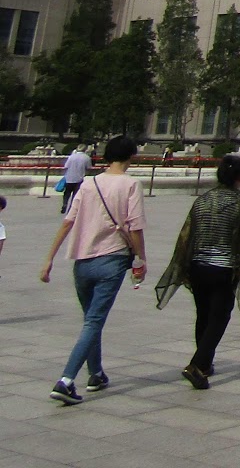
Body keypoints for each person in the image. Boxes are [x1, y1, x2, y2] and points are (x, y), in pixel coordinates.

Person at [39, 135, 147, 406]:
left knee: (91, 319)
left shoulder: (89, 183)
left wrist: (49, 258)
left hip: (82, 261)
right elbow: (135, 227)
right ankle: (66, 380)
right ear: (130, 157)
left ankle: (96, 373)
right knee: (93, 321)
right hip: (112, 259)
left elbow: (68, 221)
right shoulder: (131, 184)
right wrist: (141, 260)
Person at [153, 154, 240, 390]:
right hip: (223, 268)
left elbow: (187, 234)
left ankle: (205, 364)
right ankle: (197, 365)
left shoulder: (203, 200)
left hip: (198, 266)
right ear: (239, 177)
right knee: (220, 316)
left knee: (204, 314)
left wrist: (183, 264)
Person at [59, 144, 92, 215]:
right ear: (85, 149)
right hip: (79, 178)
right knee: (75, 195)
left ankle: (65, 204)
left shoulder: (72, 157)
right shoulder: (86, 157)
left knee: (67, 193)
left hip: (69, 178)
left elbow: (66, 166)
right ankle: (71, 208)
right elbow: (89, 168)